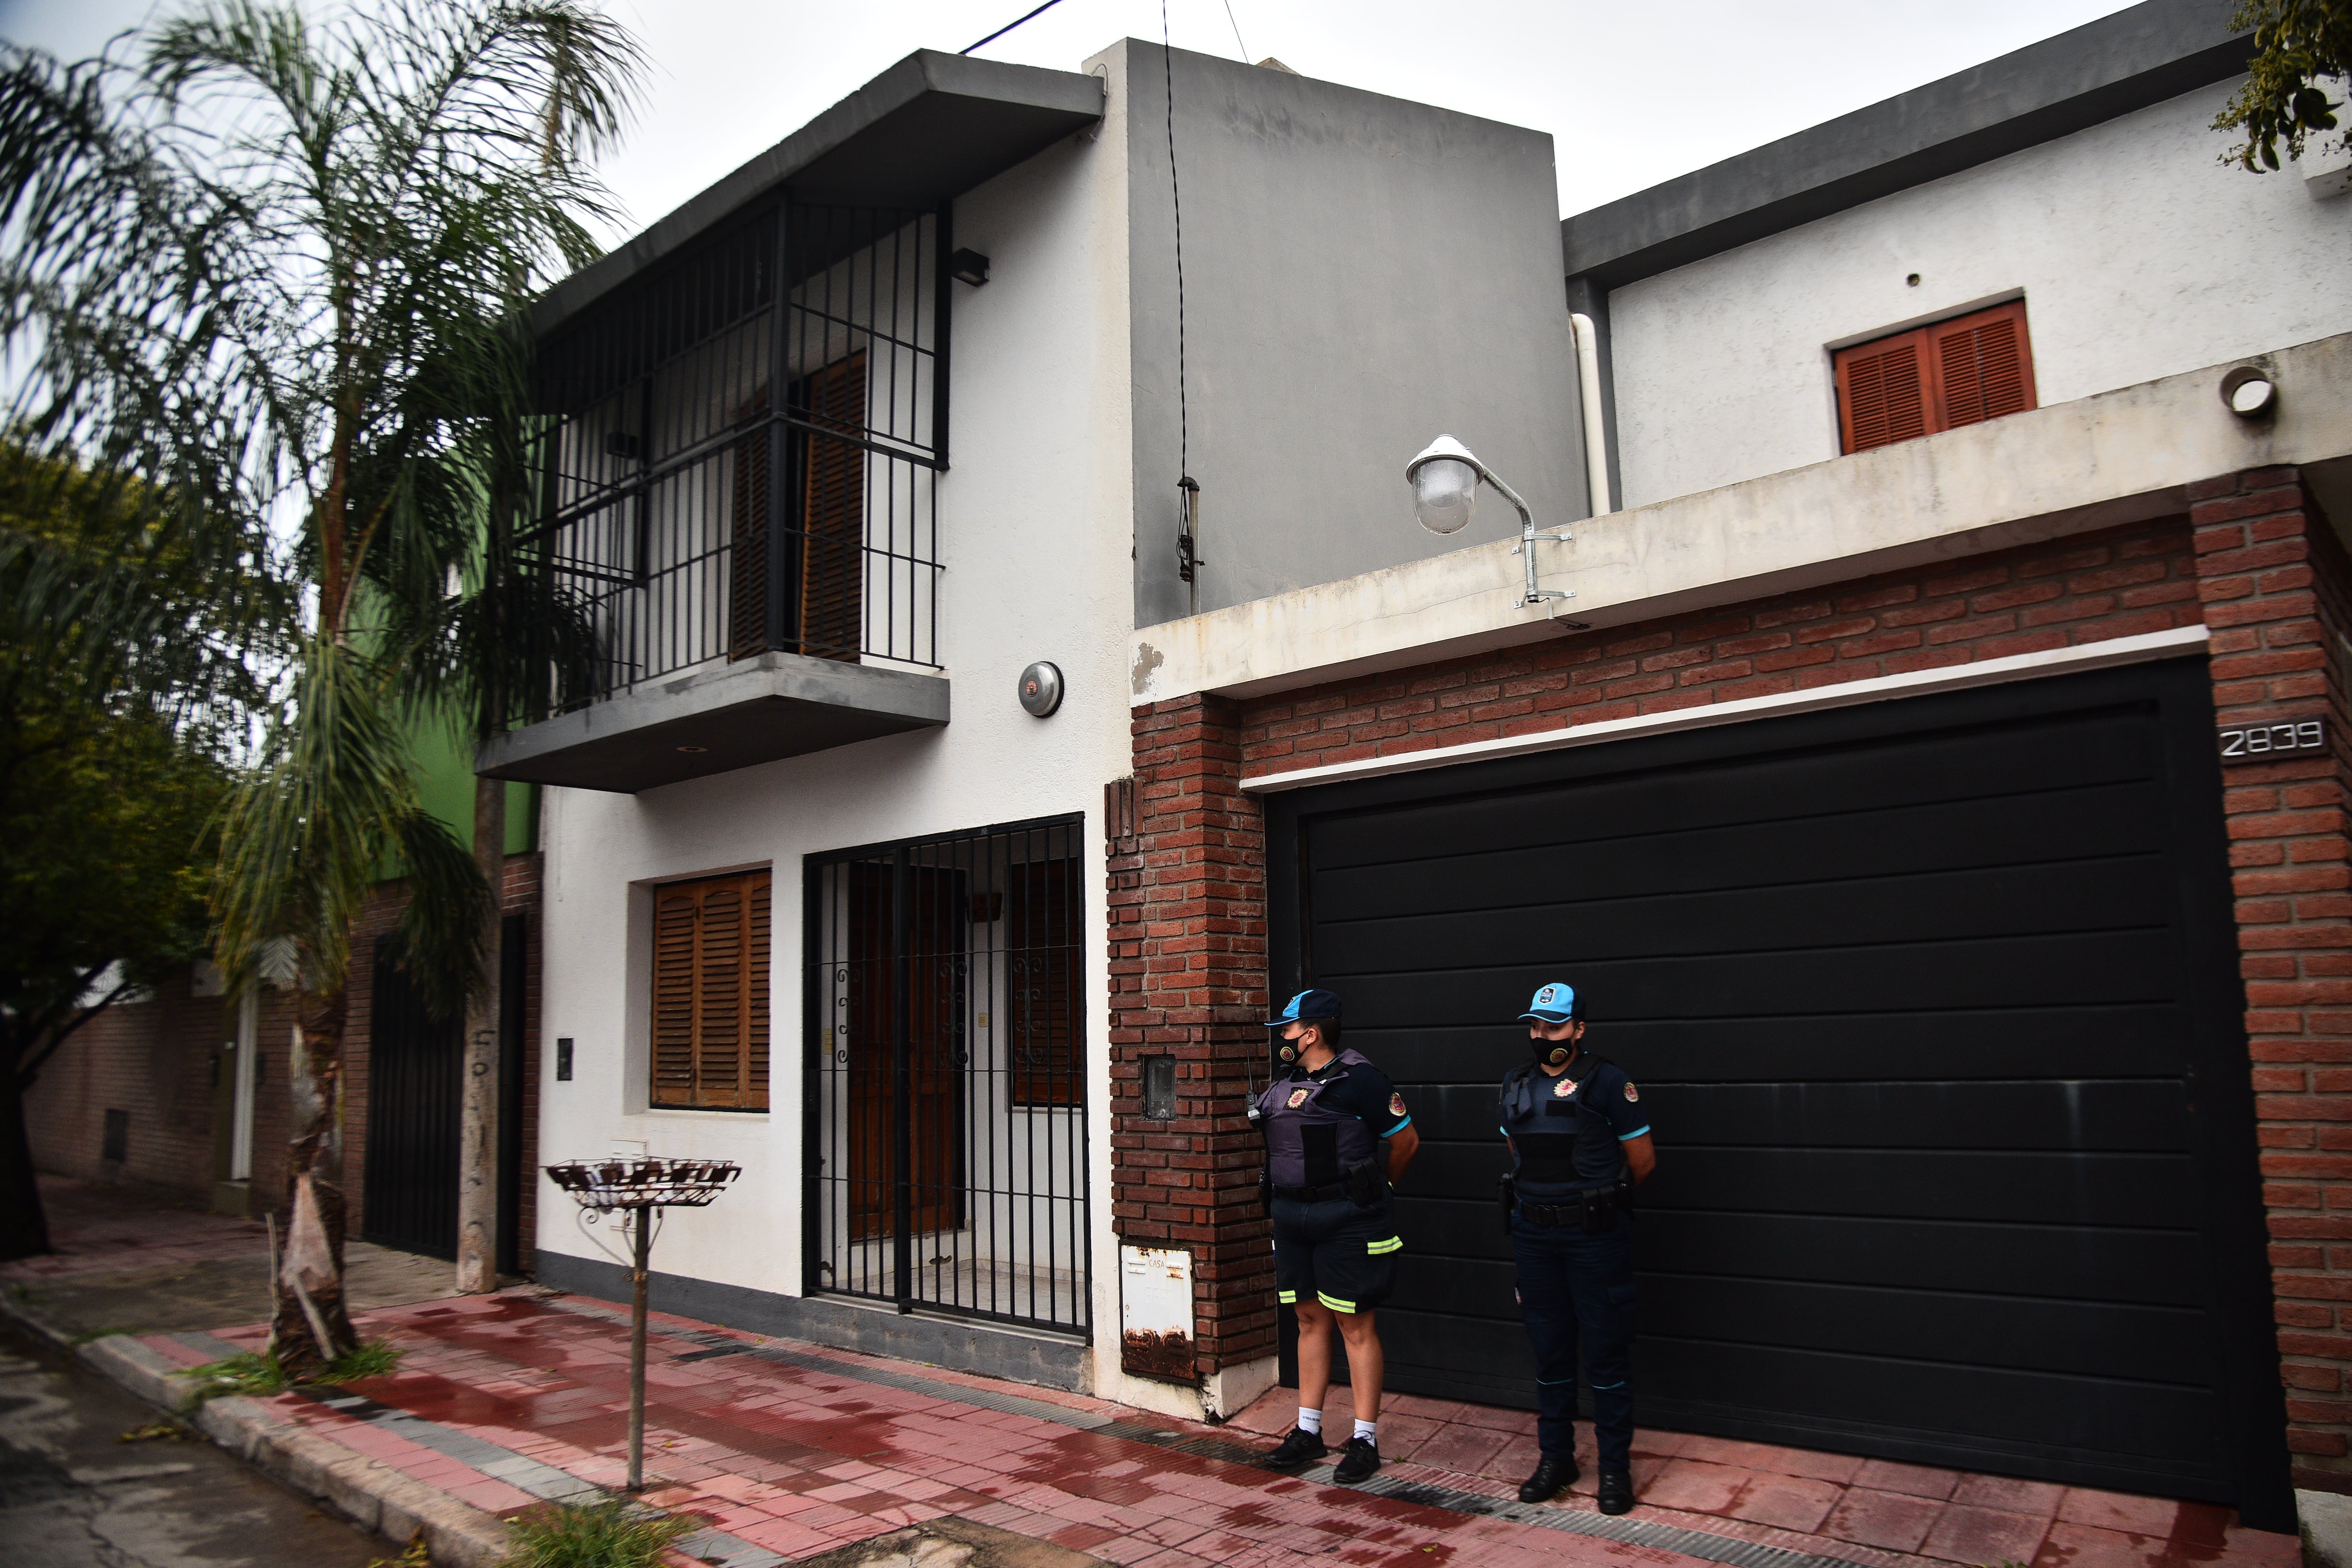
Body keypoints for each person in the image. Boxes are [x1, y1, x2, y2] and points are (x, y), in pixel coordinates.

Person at [1500, 981, 1655, 1514]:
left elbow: (1643, 1161)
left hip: (1593, 1236)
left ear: (1579, 1029)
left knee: (1606, 1353)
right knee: (1549, 1350)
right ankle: (1556, 1459)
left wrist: (1598, 1204)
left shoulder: (1609, 1082)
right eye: (1536, 1026)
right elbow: (1516, 1151)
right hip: (1533, 1235)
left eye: (1555, 1026)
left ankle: (1614, 1469)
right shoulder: (1515, 1083)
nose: (1542, 1036)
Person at [1255, 989, 1420, 1484]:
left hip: (1347, 1219)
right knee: (1308, 1320)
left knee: (1354, 1324)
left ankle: (1364, 1439)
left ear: (1310, 1033)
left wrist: (1377, 1188)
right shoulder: (1286, 1081)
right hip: (1293, 1218)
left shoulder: (1362, 1081)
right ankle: (1308, 1431)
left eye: (1285, 1031)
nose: (1279, 1041)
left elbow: (1406, 1141)